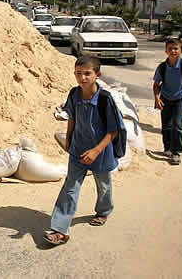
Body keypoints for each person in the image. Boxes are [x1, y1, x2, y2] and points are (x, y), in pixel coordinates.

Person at [43, 55, 123, 246]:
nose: (83, 78)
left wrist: (96, 151)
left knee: (103, 185)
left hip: (101, 151)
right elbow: (72, 116)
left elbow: (113, 131)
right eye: (79, 74)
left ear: (97, 74)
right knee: (70, 187)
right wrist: (69, 138)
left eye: (87, 73)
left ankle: (103, 211)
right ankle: (60, 230)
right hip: (78, 148)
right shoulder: (74, 94)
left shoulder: (105, 99)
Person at [153, 38, 182, 165]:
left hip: (181, 98)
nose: (173, 51)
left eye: (176, 48)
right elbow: (156, 84)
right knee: (166, 125)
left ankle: (176, 152)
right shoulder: (162, 67)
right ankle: (167, 148)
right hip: (166, 99)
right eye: (170, 49)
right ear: (166, 51)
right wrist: (157, 98)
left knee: (177, 125)